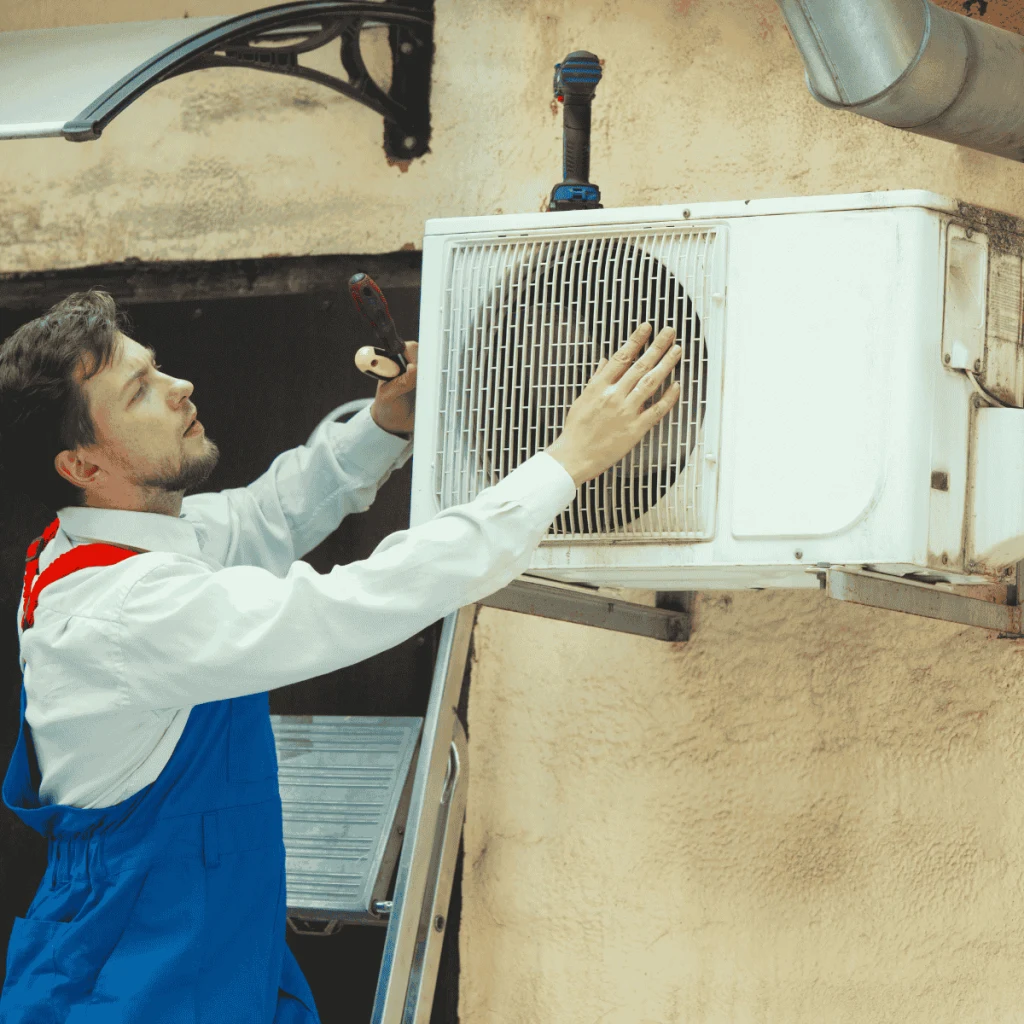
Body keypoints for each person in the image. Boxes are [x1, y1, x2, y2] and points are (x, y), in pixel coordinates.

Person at [0, 290, 682, 1022]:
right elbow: (351, 605)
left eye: (157, 368)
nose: (179, 388)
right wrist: (563, 464)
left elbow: (266, 515)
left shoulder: (118, 544)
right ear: (82, 464)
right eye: (141, 391)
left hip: (213, 951)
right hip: (133, 980)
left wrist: (387, 423)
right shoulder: (124, 610)